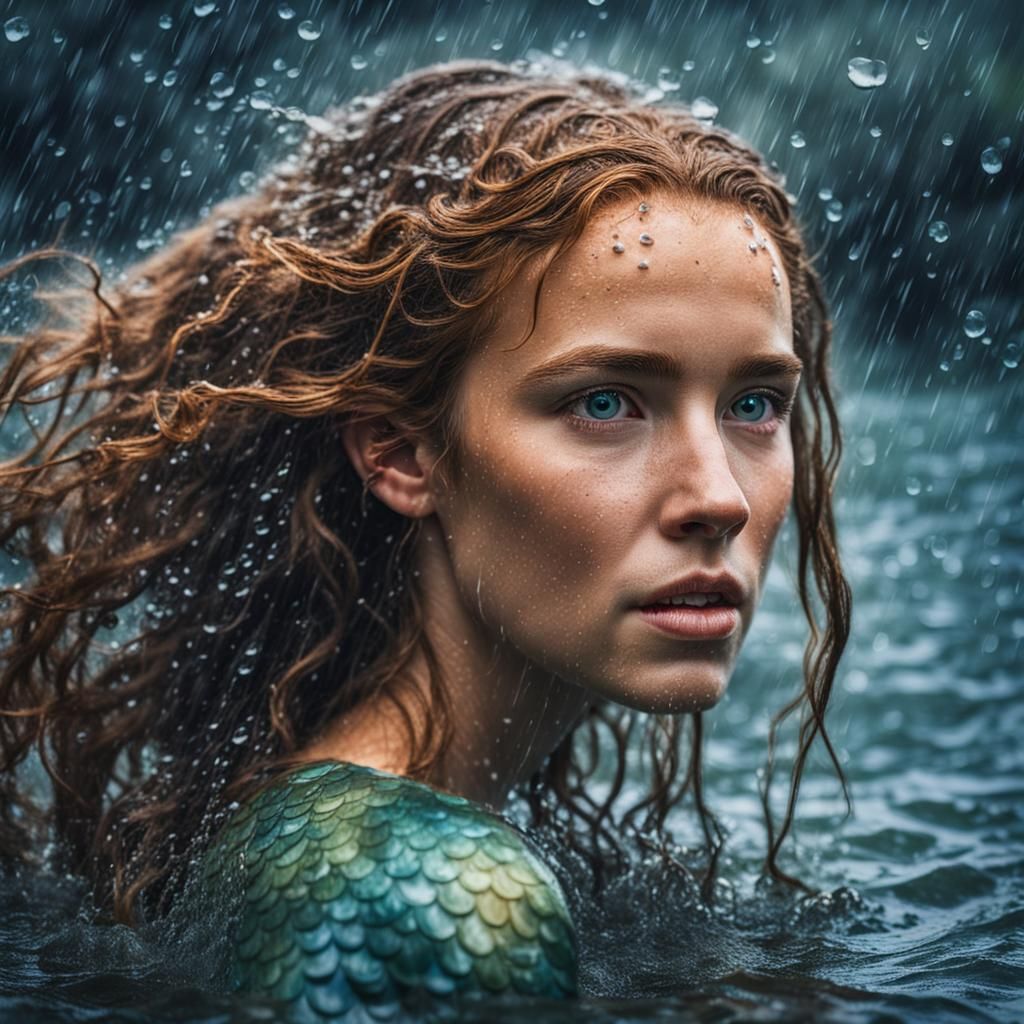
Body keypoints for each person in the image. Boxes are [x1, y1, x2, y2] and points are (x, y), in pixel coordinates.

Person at [0, 58, 851, 1019]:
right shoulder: (421, 899)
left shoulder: (335, 833)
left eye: (753, 404)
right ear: (404, 454)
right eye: (605, 403)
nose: (719, 496)